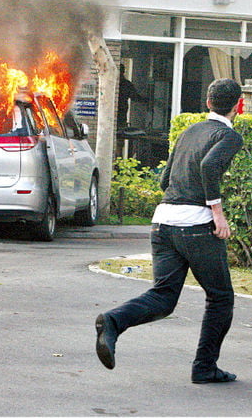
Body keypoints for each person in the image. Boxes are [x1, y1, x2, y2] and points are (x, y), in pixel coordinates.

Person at [95, 78, 243, 384]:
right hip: (196, 225)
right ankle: (204, 368)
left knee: (163, 296)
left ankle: (113, 321)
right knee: (220, 298)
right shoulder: (228, 136)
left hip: (163, 222)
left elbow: (165, 181)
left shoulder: (190, 131)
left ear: (207, 102)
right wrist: (218, 212)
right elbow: (209, 166)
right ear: (238, 106)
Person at [117, 64, 148, 129]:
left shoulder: (126, 84)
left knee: (121, 130)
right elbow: (135, 97)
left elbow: (134, 96)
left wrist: (145, 100)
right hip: (120, 110)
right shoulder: (126, 84)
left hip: (122, 111)